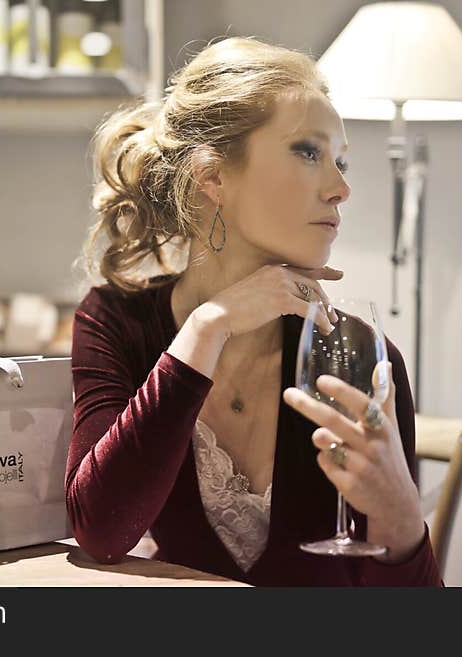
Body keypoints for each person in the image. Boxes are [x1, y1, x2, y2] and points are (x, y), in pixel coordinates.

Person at [65, 37, 442, 586]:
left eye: (339, 161)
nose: (341, 189)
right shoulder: (115, 322)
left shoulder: (357, 354)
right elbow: (101, 530)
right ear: (213, 176)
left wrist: (401, 519)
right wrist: (206, 327)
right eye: (308, 152)